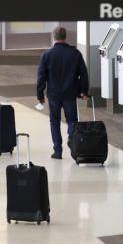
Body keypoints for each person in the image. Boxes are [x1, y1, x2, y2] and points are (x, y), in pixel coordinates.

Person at [36, 26, 90, 160]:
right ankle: (72, 141)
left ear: (54, 37)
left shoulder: (47, 54)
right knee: (72, 120)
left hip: (53, 94)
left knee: (54, 122)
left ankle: (57, 151)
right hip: (70, 93)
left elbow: (41, 77)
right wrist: (84, 91)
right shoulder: (75, 53)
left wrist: (40, 95)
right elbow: (83, 74)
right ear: (65, 37)